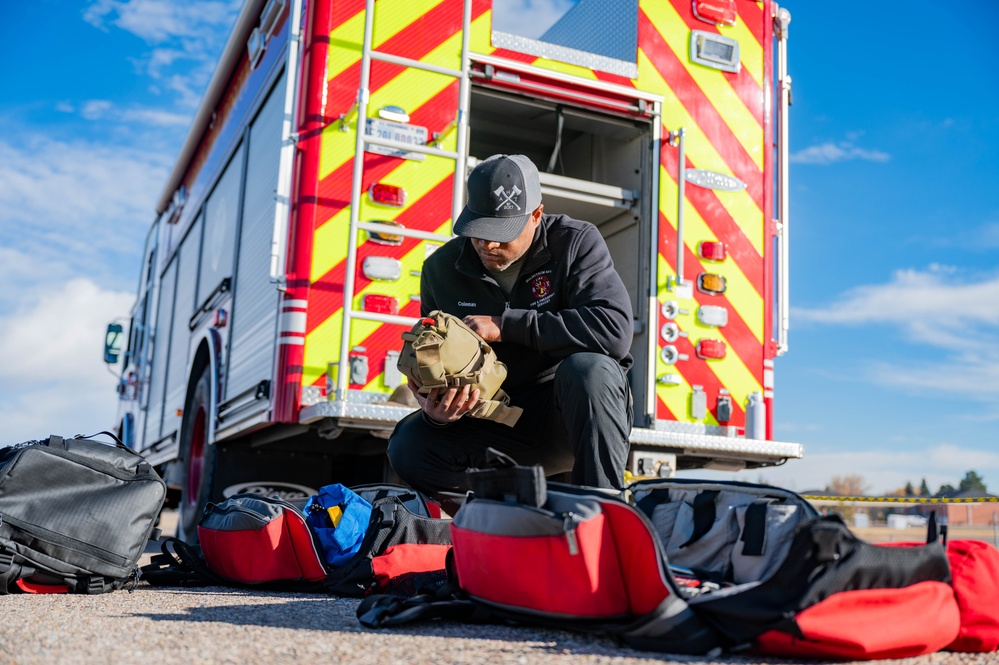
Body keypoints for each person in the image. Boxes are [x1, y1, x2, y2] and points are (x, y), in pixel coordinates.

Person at [387, 154, 633, 501]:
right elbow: (434, 355)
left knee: (590, 370)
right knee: (409, 444)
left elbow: (613, 331)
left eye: (501, 234)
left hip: (568, 415)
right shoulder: (440, 270)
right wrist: (435, 407)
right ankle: (482, 525)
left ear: (536, 215)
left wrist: (506, 326)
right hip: (493, 419)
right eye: (478, 231)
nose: (487, 245)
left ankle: (604, 514)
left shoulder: (575, 243)